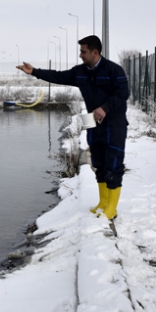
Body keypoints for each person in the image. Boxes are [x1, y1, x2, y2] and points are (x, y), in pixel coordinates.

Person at [16, 35, 129, 220]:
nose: (80, 55)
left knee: (113, 166)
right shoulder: (80, 71)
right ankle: (102, 203)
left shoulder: (113, 70)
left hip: (114, 124)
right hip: (91, 121)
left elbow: (124, 93)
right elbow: (59, 76)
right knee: (98, 164)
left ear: (95, 52)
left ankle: (112, 208)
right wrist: (34, 71)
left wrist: (105, 108)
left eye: (83, 51)